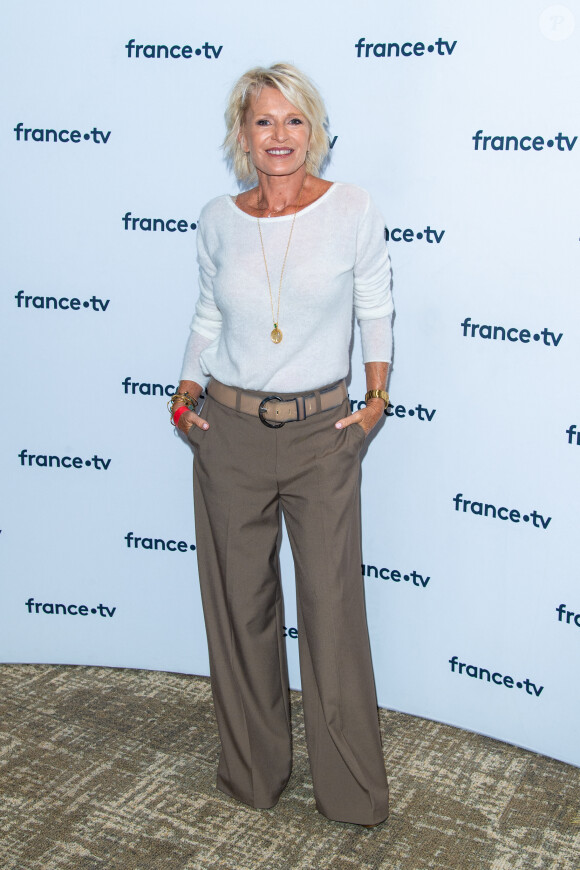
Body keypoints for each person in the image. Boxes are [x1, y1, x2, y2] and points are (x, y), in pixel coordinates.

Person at [171, 63, 393, 827]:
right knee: (239, 610)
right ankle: (253, 776)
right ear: (242, 133)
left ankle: (353, 795)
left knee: (332, 616)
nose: (280, 137)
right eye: (264, 121)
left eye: (294, 121)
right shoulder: (217, 218)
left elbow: (376, 308)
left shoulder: (353, 209)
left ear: (314, 130)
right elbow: (208, 316)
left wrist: (375, 402)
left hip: (322, 436)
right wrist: (185, 391)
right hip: (227, 433)